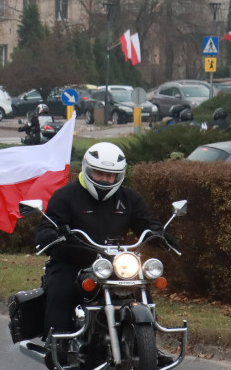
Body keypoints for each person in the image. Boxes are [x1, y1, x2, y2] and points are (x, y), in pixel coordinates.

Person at [34, 142, 164, 346]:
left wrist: (159, 233)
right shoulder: (66, 196)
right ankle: (57, 345)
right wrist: (51, 234)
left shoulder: (129, 198)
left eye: (110, 175)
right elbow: (49, 223)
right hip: (72, 261)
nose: (105, 179)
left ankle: (149, 348)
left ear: (119, 176)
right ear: (88, 170)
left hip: (114, 263)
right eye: (99, 173)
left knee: (141, 290)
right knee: (61, 290)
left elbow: (145, 222)